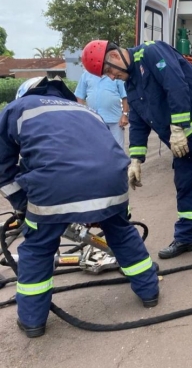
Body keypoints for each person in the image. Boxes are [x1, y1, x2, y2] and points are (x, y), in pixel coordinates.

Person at [0, 76, 160, 338]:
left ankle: (32, 322)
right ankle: (150, 292)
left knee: (38, 248)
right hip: (112, 181)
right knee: (121, 232)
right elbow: (100, 152)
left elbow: (4, 169)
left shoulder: (16, 109)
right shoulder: (86, 110)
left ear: (24, 93)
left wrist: (23, 205)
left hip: (54, 188)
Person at [81, 39, 192, 262]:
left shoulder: (151, 52)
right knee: (185, 188)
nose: (111, 77)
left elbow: (176, 85)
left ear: (115, 56)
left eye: (109, 70)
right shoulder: (131, 83)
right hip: (183, 143)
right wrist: (136, 159)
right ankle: (186, 238)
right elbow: (138, 120)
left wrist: (177, 128)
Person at [75, 70, 129, 149]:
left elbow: (125, 97)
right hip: (94, 121)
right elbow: (79, 96)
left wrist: (125, 115)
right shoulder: (86, 75)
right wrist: (83, 115)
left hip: (115, 121)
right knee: (97, 149)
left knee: (118, 150)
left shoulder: (115, 73)